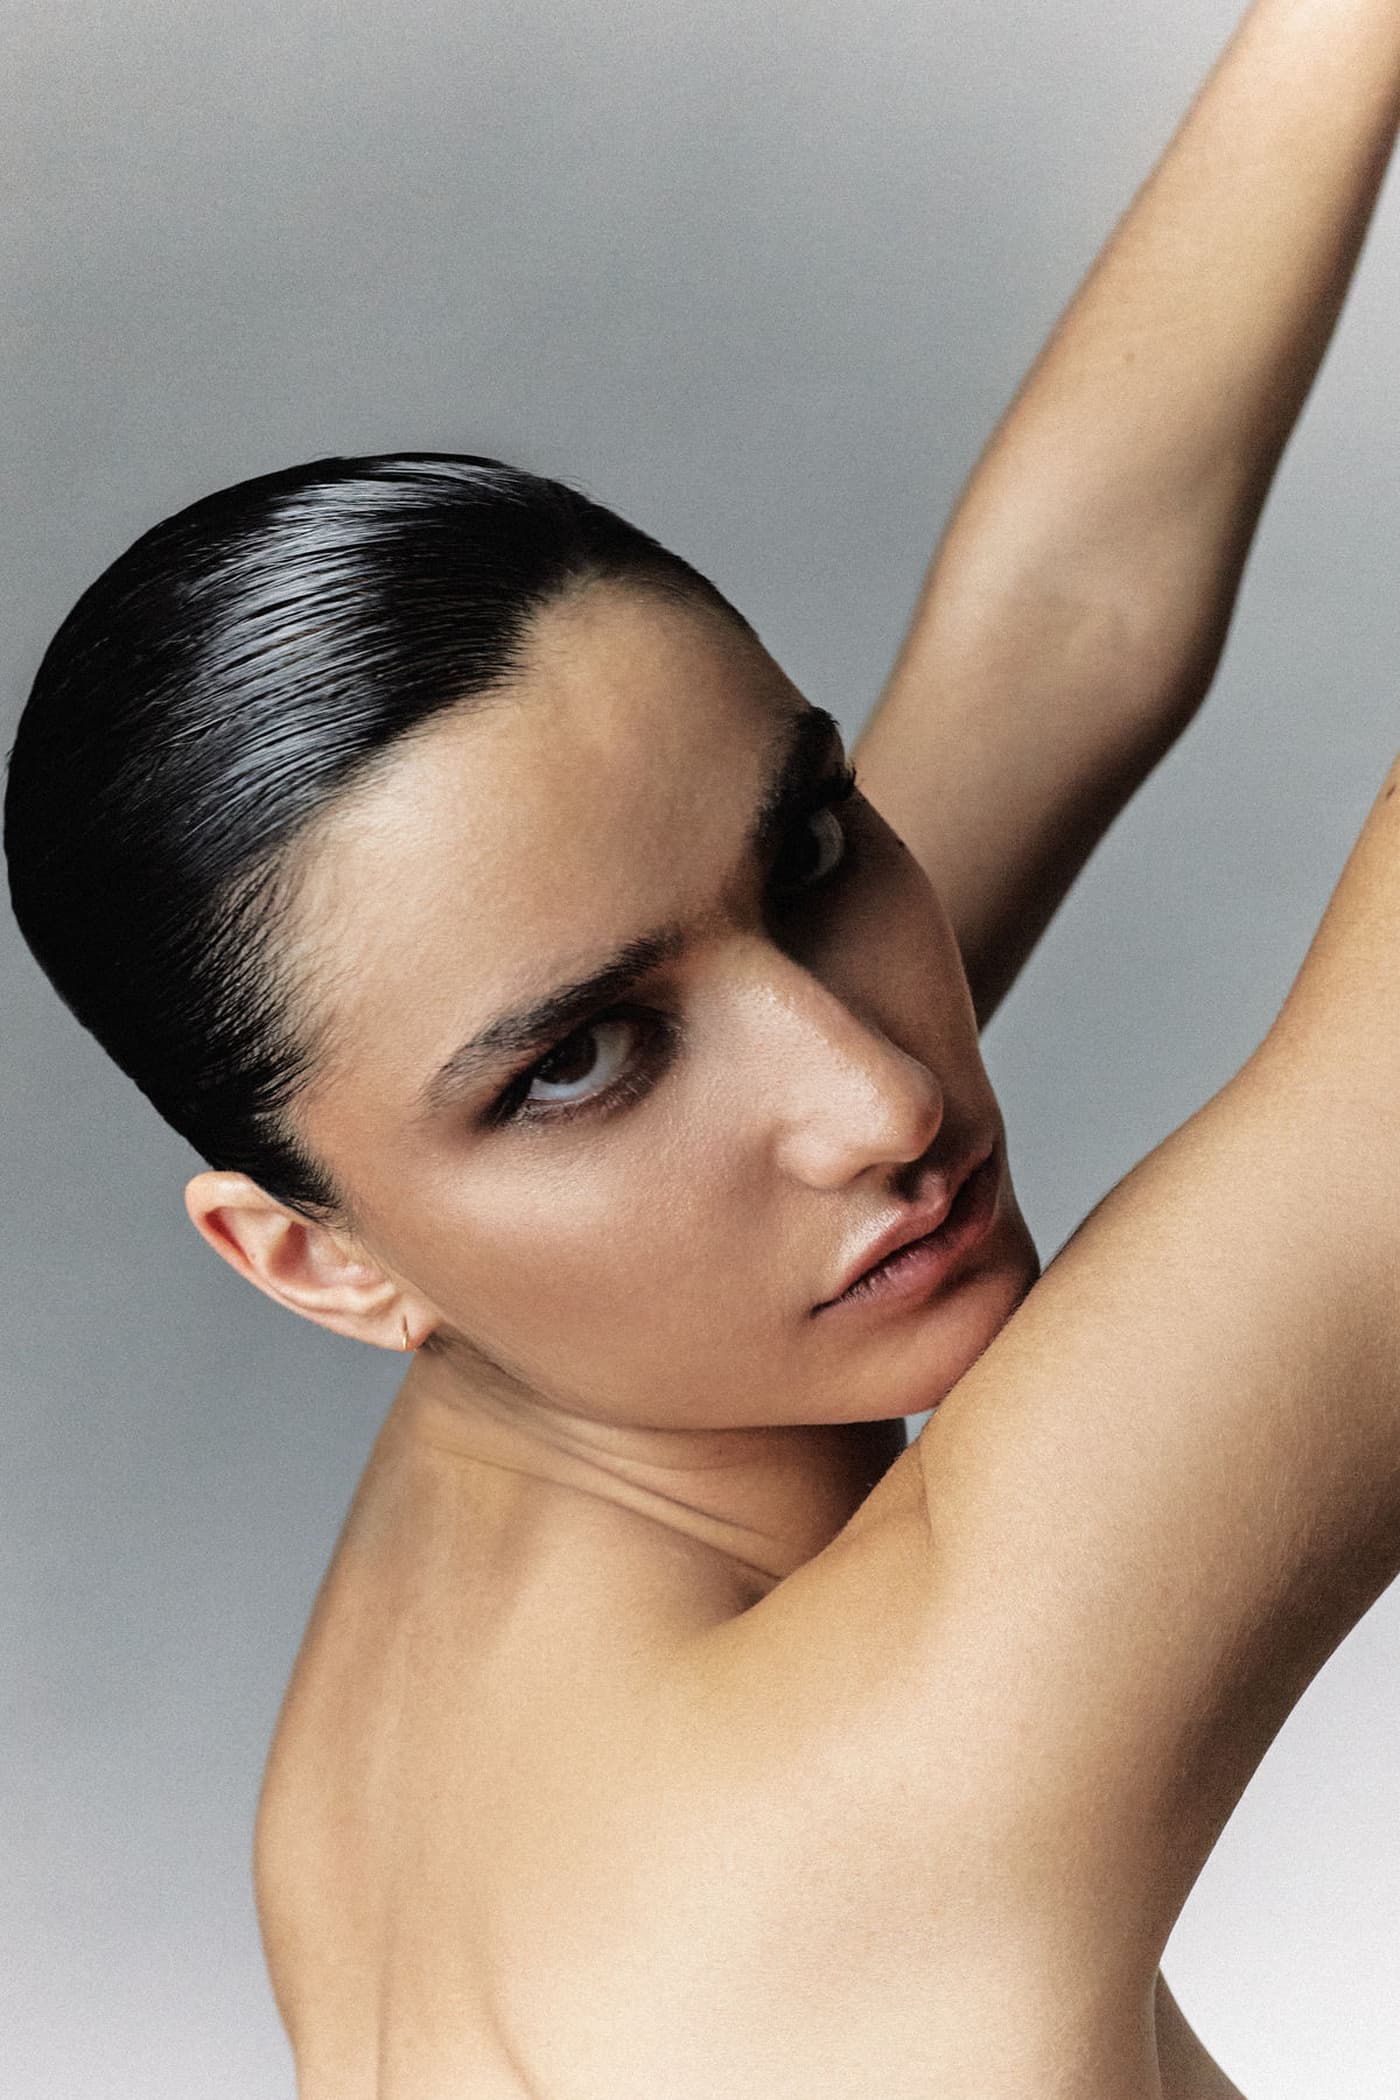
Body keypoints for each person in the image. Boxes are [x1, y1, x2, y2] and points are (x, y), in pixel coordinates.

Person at [6, 0, 1400, 2091]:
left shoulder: (489, 1531)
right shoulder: (879, 1775)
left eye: (814, 848)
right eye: (581, 1065)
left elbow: (1061, 629)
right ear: (310, 1253)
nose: (880, 1098)